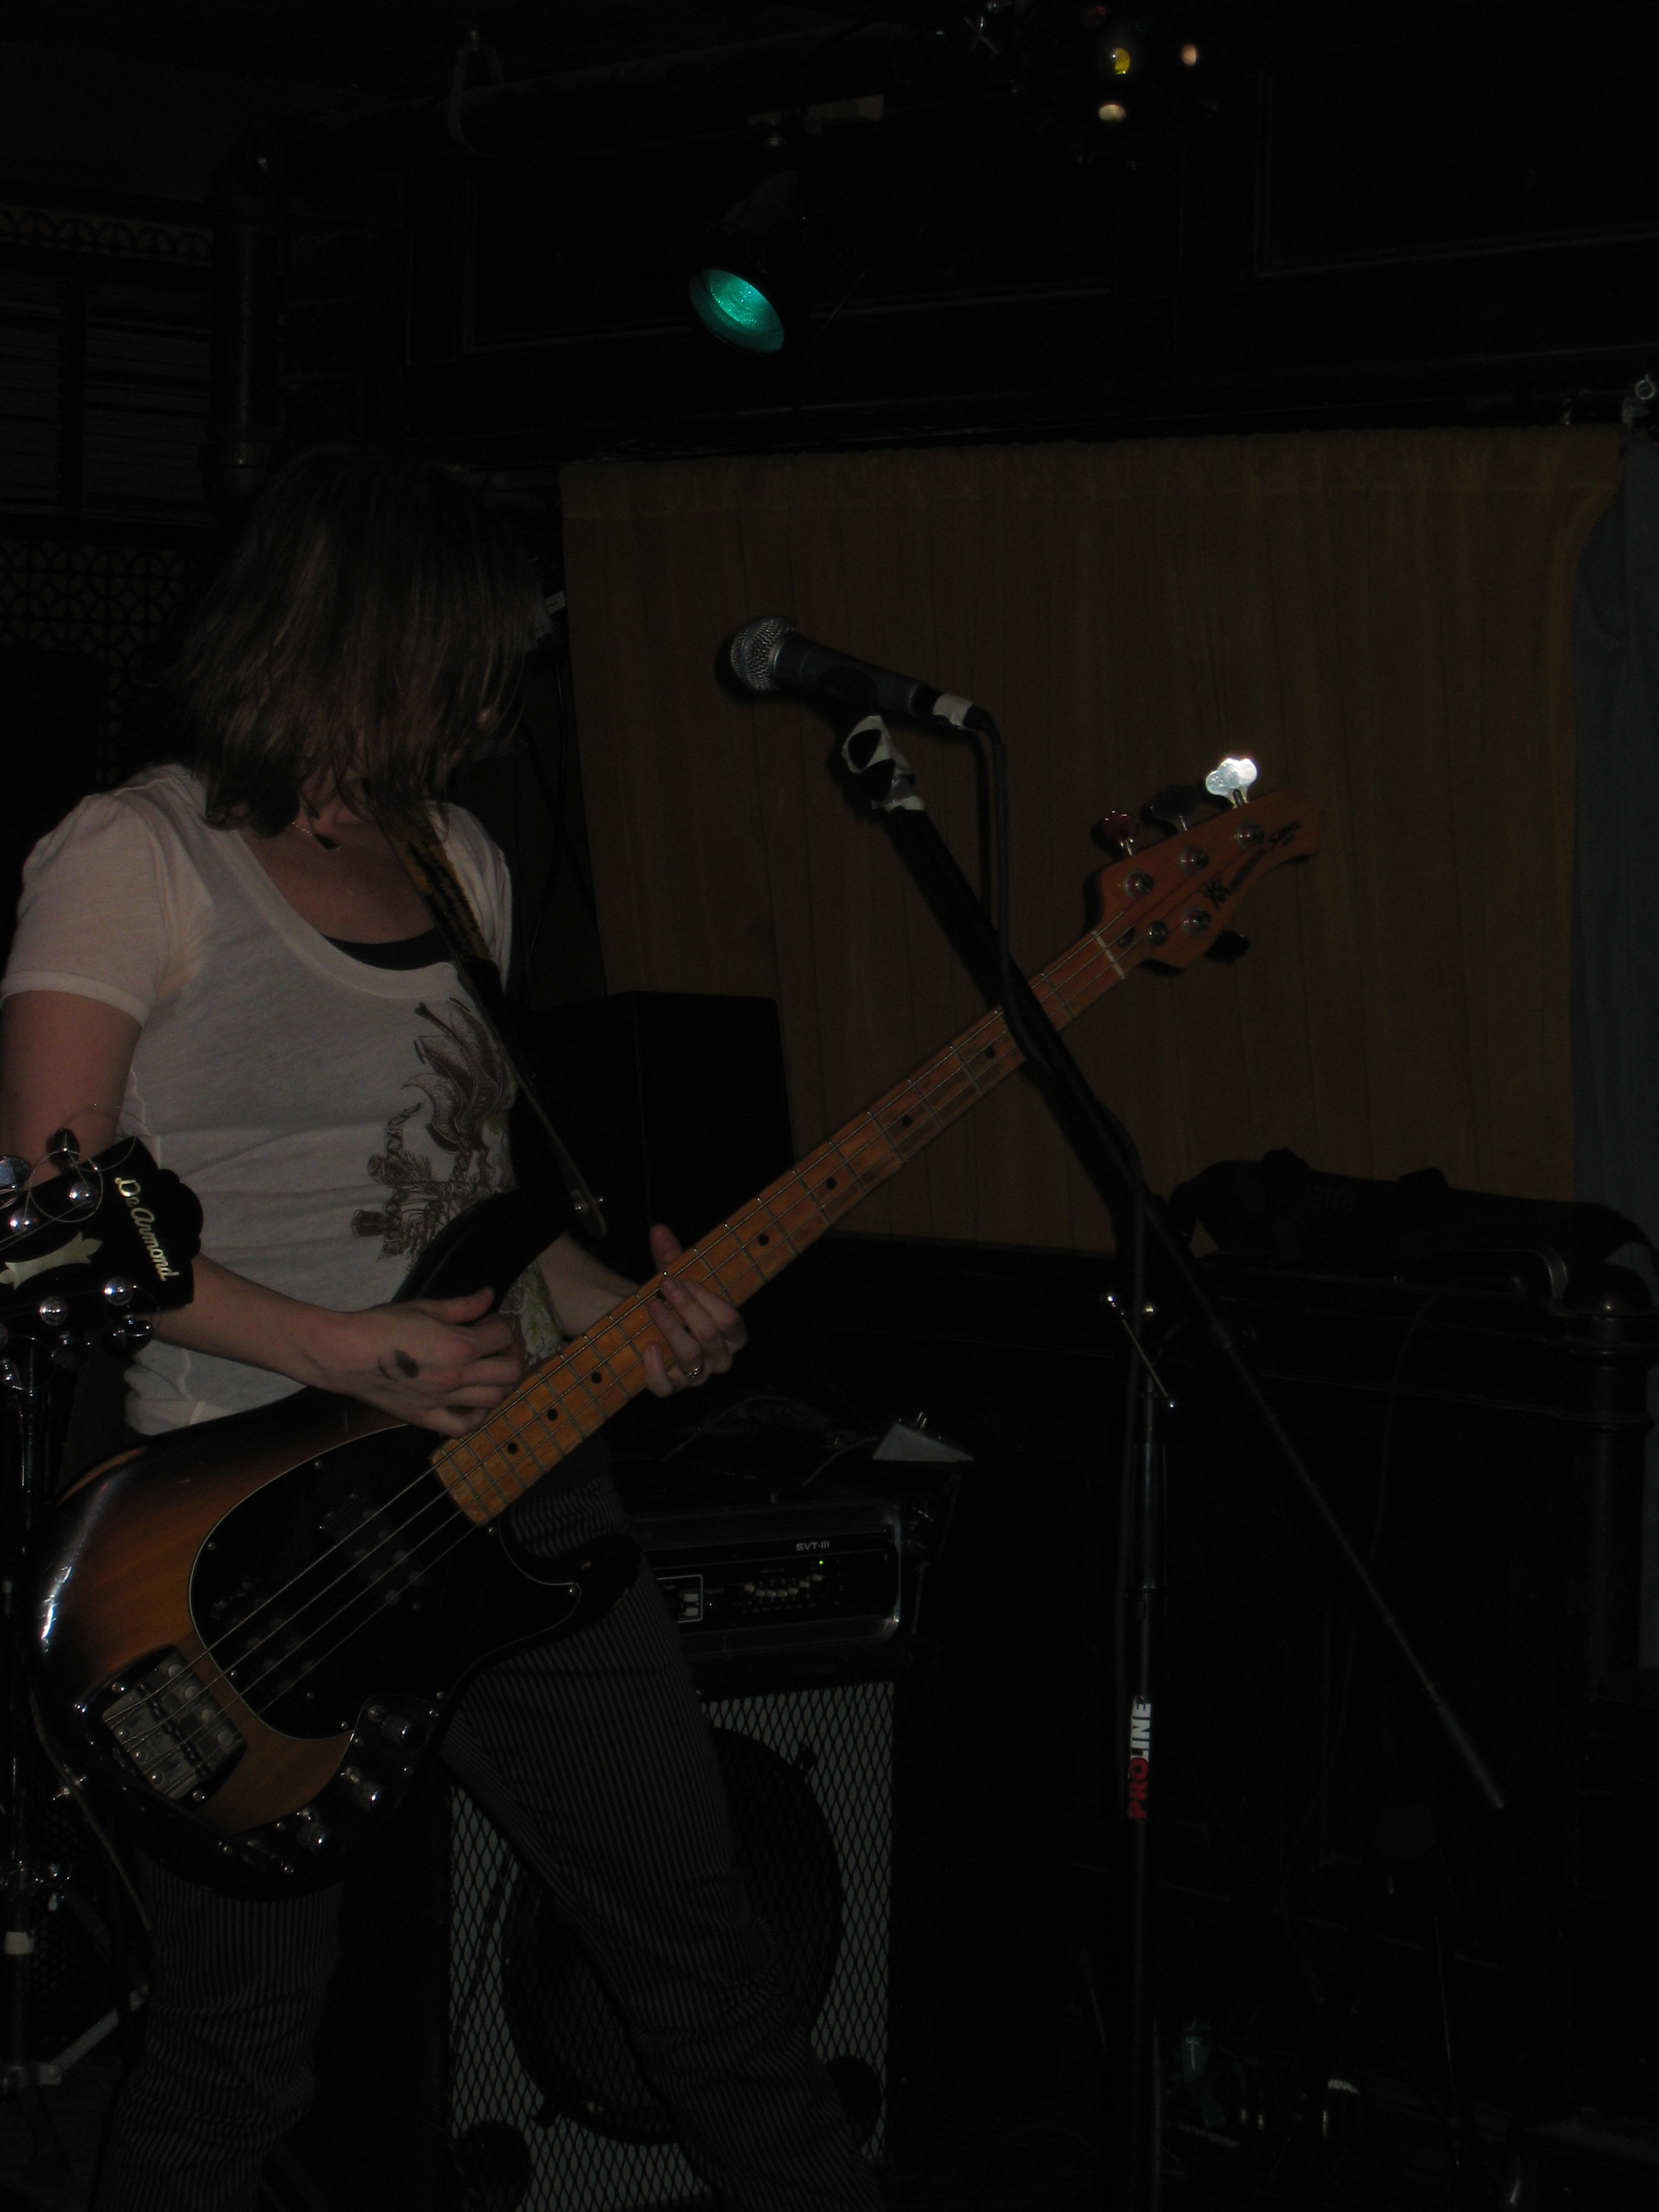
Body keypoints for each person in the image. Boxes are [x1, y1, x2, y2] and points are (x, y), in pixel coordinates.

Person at [0, 448, 882, 2212]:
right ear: (368, 636)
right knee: (241, 2047)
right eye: (472, 658)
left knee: (703, 1959)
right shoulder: (134, 851)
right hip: (237, 1544)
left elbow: (478, 1205)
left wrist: (631, 1313)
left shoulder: (460, 858)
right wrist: (338, 1347)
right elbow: (44, 1211)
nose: (496, 700)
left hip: (517, 1486)